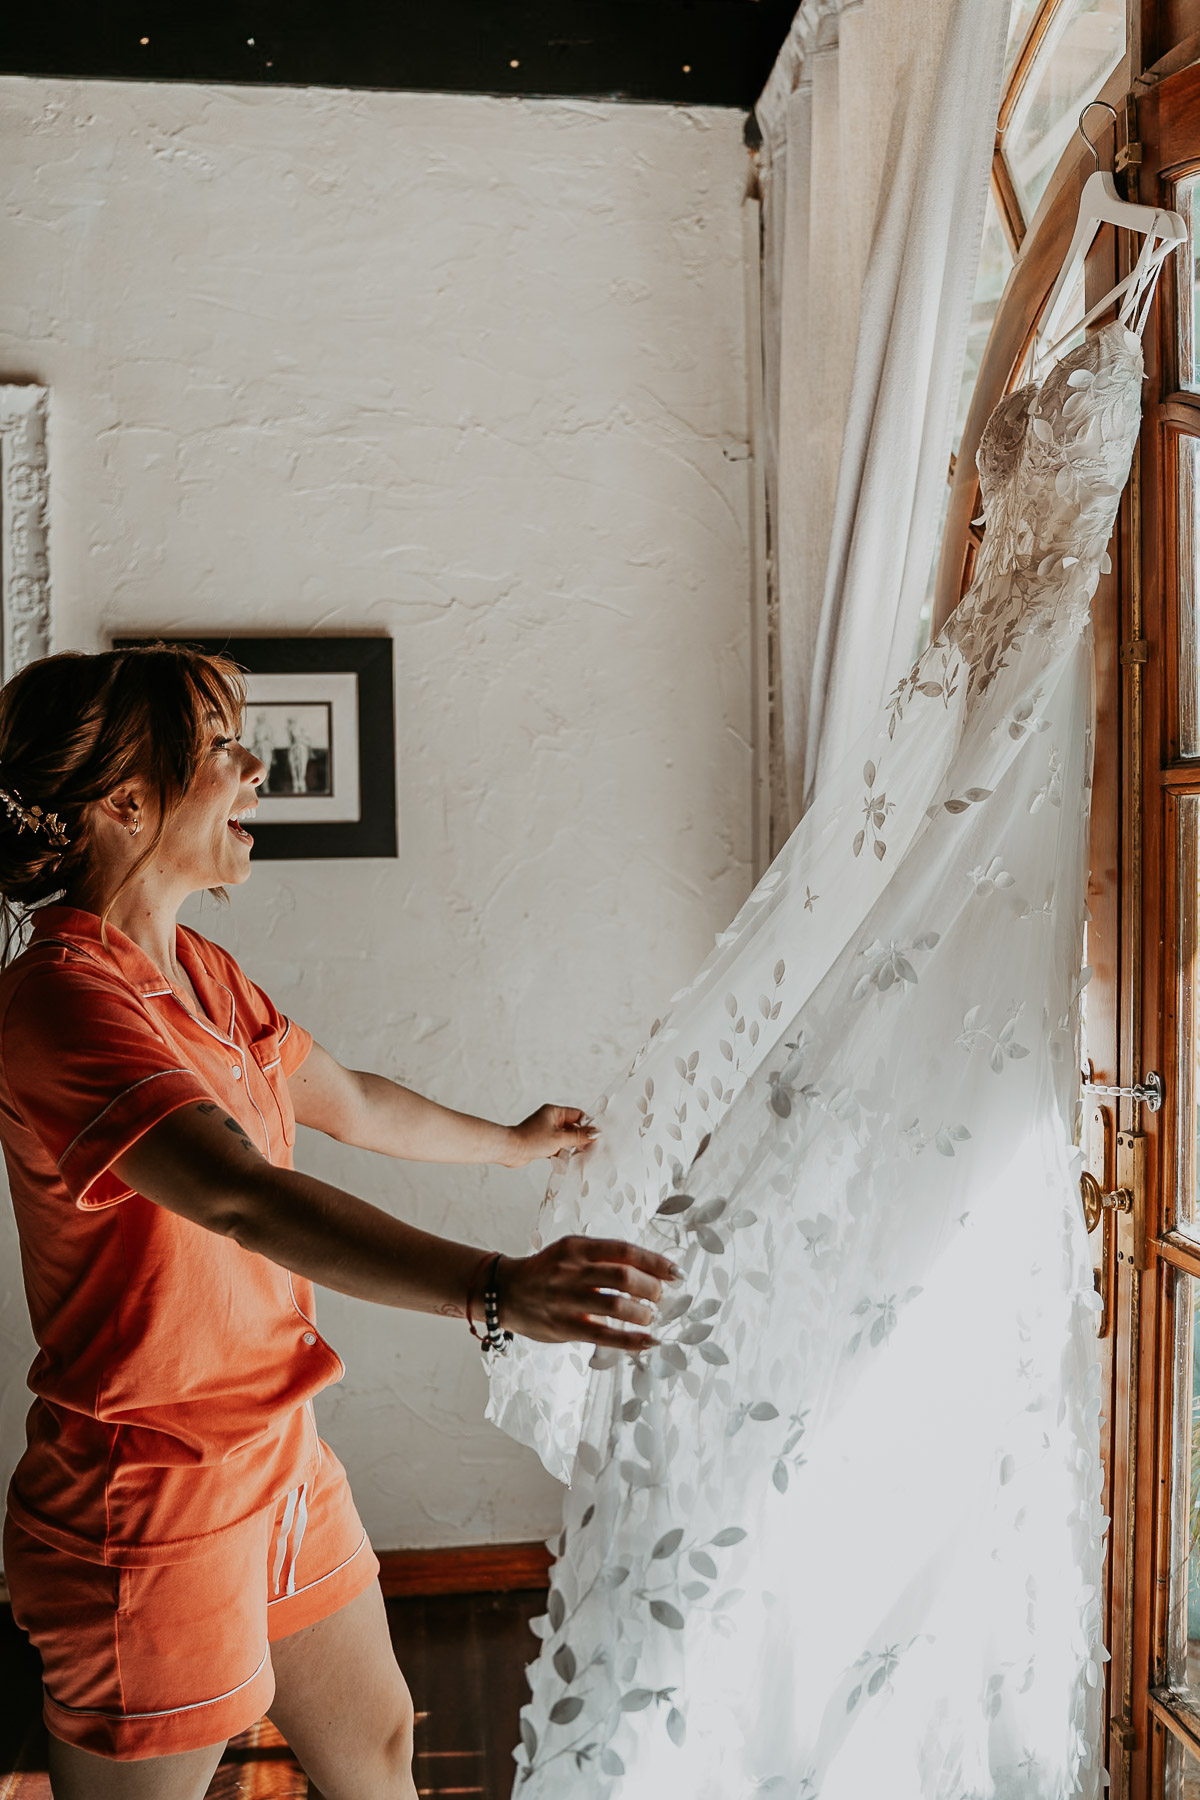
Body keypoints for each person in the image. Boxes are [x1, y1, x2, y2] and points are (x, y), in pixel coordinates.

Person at [0, 645, 676, 1800]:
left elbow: (345, 1097)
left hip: (280, 1455)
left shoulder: (201, 972)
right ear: (124, 802)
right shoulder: (62, 1002)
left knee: (375, 1750)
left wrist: (513, 1142)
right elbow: (240, 1193)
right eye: (221, 749)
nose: (257, 768)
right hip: (151, 1494)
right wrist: (497, 1289)